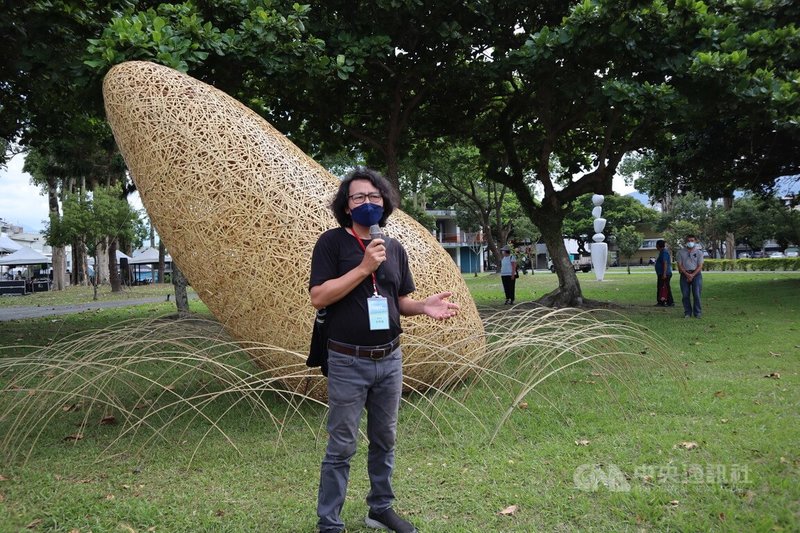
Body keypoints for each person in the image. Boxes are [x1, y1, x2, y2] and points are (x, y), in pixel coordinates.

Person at [309, 167, 459, 533]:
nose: (367, 203)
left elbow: (397, 300)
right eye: (359, 197)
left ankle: (380, 508)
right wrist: (363, 267)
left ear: (385, 203)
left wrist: (423, 305)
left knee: (385, 439)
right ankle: (329, 522)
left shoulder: (394, 248)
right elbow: (319, 297)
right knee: (342, 444)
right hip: (347, 359)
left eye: (374, 197)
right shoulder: (331, 243)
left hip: (390, 360)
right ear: (346, 205)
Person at [676, 234, 704, 318]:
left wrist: (692, 275)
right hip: (684, 275)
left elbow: (700, 266)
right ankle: (687, 312)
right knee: (685, 295)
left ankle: (697, 313)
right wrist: (687, 274)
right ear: (686, 242)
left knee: (697, 294)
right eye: (688, 241)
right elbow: (680, 265)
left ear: (695, 241)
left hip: (696, 275)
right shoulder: (680, 252)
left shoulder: (699, 253)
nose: (690, 242)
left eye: (692, 241)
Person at [654, 239, 674, 307]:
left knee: (663, 287)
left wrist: (664, 274)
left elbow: (665, 263)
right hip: (662, 273)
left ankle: (663, 302)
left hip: (664, 274)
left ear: (658, 245)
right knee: (663, 287)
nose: (655, 246)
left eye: (656, 245)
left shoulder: (664, 252)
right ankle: (667, 301)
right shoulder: (662, 252)